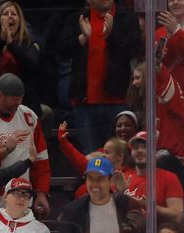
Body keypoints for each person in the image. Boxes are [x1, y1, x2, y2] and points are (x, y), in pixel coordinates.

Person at [57, 0, 143, 154]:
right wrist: (82, 39)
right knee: (92, 157)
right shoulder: (77, 19)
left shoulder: (127, 18)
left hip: (117, 100)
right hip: (84, 103)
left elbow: (133, 49)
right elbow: (60, 50)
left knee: (118, 156)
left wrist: (111, 35)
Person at [0, 73, 51, 218]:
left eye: (21, 98)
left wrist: (42, 192)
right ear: (0, 95)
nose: (18, 102)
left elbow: (41, 159)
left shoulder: (29, 117)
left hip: (22, 201)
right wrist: (4, 151)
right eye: (14, 98)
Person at [0, 1, 43, 116]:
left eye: (13, 14)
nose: (9, 16)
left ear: (20, 20)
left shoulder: (28, 42)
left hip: (26, 102)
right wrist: (2, 40)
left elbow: (31, 65)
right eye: (5, 13)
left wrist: (11, 44)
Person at [120, 131, 184, 223]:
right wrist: (121, 194)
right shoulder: (123, 177)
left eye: (145, 147)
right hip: (130, 232)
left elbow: (177, 215)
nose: (139, 150)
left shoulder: (169, 178)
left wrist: (149, 206)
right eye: (135, 147)